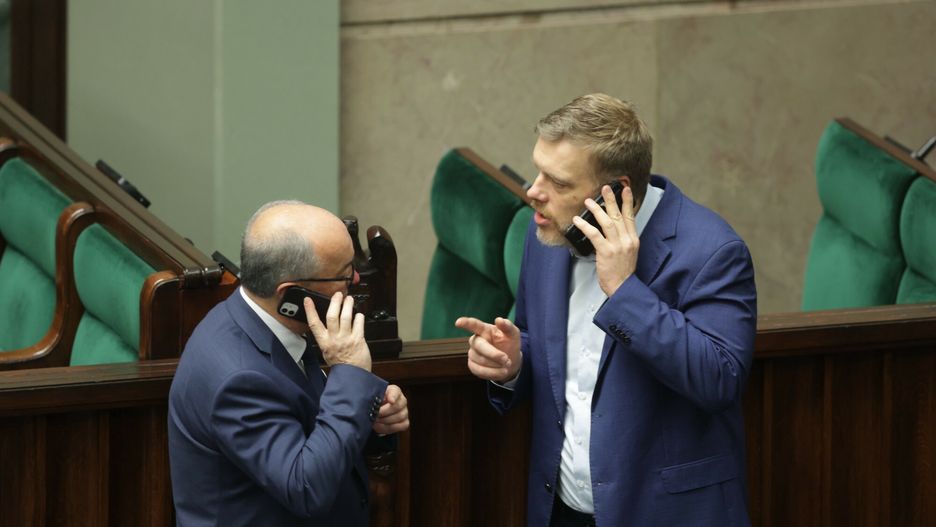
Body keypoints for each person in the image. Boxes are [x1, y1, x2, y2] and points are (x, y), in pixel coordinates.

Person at [456, 94, 757, 526]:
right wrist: (515, 362)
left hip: (664, 514)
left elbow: (719, 380)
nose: (533, 192)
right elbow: (552, 350)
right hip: (561, 509)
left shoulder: (712, 250)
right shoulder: (547, 234)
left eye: (559, 183)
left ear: (616, 191)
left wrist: (624, 291)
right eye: (538, 171)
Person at [169, 200, 409, 527]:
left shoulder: (262, 322)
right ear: (292, 296)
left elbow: (311, 423)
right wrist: (351, 374)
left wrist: (372, 418)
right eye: (343, 274)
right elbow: (306, 489)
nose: (355, 279)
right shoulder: (239, 379)